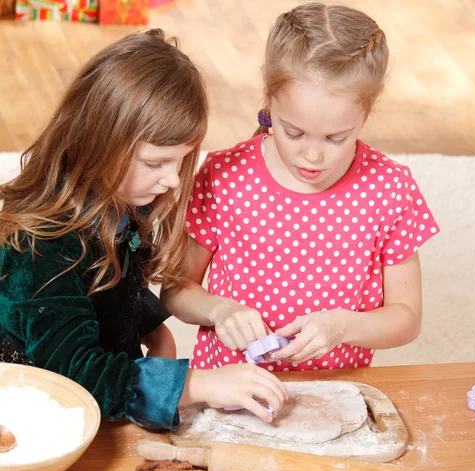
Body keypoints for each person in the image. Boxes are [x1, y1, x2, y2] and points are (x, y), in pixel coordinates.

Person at [0, 30, 286, 428]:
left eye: (181, 161)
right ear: (97, 142)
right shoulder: (39, 248)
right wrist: (197, 385)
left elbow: (113, 290)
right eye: (156, 163)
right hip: (31, 415)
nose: (171, 180)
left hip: (106, 406)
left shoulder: (120, 202)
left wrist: (155, 332)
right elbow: (76, 377)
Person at [162, 3, 439, 372]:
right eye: (293, 132)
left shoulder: (390, 188)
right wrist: (219, 309)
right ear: (268, 100)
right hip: (230, 386)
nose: (312, 156)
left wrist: (343, 326)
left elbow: (407, 317)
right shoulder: (224, 176)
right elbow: (176, 288)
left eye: (336, 138)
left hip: (337, 390)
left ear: (366, 114)